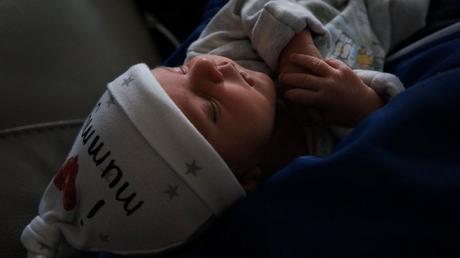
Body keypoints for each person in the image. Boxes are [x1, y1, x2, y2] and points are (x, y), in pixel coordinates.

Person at [21, 0, 429, 257]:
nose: (208, 68)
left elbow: (246, 7)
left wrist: (290, 44)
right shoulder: (313, 158)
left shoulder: (224, 52)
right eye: (211, 110)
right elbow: (393, 129)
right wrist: (361, 104)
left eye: (179, 69)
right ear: (245, 177)